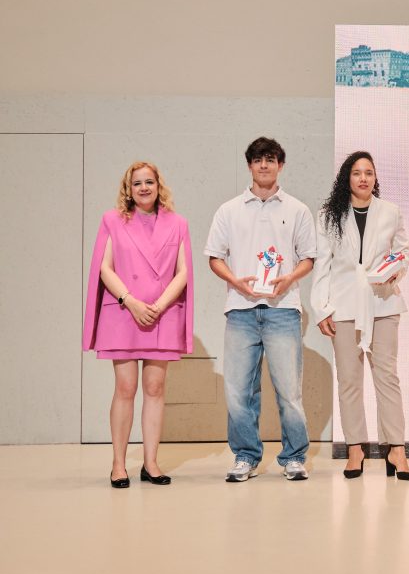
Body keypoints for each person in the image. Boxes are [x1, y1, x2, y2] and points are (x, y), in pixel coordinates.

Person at [205, 137, 316, 482]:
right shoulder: (229, 210)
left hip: (283, 310)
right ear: (249, 166)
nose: (264, 165)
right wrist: (236, 282)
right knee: (239, 392)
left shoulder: (297, 209)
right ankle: (245, 456)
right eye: (257, 160)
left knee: (289, 392)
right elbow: (214, 257)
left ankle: (294, 457)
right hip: (240, 311)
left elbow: (308, 258)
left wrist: (289, 278)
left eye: (270, 159)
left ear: (280, 165)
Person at [83, 161, 193, 488]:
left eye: (149, 182)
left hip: (163, 312)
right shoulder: (112, 220)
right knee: (125, 388)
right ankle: (118, 464)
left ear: (159, 186)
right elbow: (105, 267)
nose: (143, 188)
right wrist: (130, 301)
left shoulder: (178, 223)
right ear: (128, 189)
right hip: (123, 312)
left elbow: (183, 272)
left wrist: (159, 305)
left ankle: (151, 463)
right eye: (137, 183)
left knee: (155, 389)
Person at [311, 151, 409, 481]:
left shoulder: (390, 211)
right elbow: (322, 264)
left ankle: (396, 448)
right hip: (343, 305)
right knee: (349, 380)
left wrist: (395, 271)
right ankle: (355, 448)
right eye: (357, 172)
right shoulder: (328, 215)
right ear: (347, 177)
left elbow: (403, 252)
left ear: (375, 177)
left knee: (387, 377)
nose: (364, 178)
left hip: (382, 303)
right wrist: (321, 308)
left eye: (369, 172)